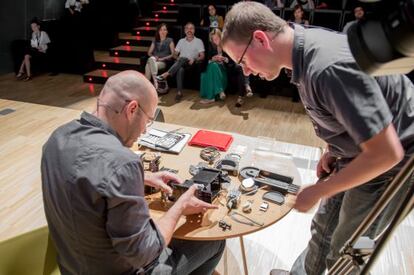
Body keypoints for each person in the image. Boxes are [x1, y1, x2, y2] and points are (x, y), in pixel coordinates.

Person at [221, 2, 414, 274]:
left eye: (242, 61)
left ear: (261, 39)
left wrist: (317, 191)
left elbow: (386, 153)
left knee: (347, 251)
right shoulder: (304, 46)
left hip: (393, 166)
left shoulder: (325, 67)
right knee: (323, 230)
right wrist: (333, 149)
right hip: (360, 153)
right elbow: (346, 112)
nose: (246, 72)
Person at [41, 70, 225, 275]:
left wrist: (143, 177)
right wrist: (179, 207)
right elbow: (146, 253)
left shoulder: (57, 138)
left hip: (72, 267)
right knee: (215, 242)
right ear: (132, 108)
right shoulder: (123, 163)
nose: (145, 131)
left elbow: (84, 174)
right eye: (147, 121)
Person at [157, 22, 205, 102]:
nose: (189, 30)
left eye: (191, 28)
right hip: (181, 63)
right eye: (187, 28)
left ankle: (166, 74)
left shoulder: (199, 41)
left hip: (192, 64)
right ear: (184, 30)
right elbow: (174, 55)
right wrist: (179, 58)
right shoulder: (181, 41)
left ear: (194, 30)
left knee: (183, 59)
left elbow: (202, 56)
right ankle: (179, 93)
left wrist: (195, 59)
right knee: (180, 67)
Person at [199, 28, 228, 104]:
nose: (215, 41)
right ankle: (220, 91)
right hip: (213, 69)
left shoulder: (226, 46)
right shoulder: (210, 46)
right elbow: (206, 61)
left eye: (217, 38)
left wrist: (224, 59)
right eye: (213, 39)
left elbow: (232, 62)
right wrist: (212, 59)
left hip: (223, 71)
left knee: (212, 67)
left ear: (220, 37)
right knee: (213, 65)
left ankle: (211, 98)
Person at [145, 23, 175, 93]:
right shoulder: (155, 40)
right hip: (154, 60)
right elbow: (149, 53)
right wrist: (154, 56)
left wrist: (162, 59)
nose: (162, 32)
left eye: (164, 30)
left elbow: (172, 54)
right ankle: (155, 83)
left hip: (163, 62)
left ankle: (147, 86)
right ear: (158, 31)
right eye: (161, 30)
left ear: (167, 31)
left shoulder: (170, 40)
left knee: (148, 64)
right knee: (151, 60)